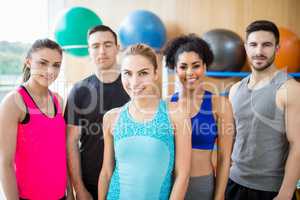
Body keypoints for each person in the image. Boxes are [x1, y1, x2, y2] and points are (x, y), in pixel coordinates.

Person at [98, 44, 192, 200]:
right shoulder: (111, 117)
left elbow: (183, 175)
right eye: (127, 73)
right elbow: (107, 171)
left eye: (143, 73)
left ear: (155, 73)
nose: (134, 82)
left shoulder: (176, 114)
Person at [225, 20, 300, 200]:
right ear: (246, 48)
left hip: (270, 189)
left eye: (266, 45)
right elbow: (232, 138)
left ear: (277, 48)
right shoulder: (235, 90)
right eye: (253, 45)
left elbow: (297, 145)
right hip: (233, 182)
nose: (259, 51)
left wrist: (286, 193)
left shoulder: (290, 89)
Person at [163, 34, 234, 200]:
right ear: (175, 68)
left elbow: (224, 158)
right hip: (168, 185)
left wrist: (219, 196)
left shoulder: (220, 105)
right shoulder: (165, 105)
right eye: (183, 66)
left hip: (202, 185)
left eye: (196, 66)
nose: (190, 72)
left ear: (205, 67)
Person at [0, 39, 73, 199]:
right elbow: (5, 164)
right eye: (43, 63)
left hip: (60, 195)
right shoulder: (13, 102)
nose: (50, 71)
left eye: (56, 65)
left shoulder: (58, 100)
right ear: (28, 62)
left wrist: (69, 192)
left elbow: (60, 154)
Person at [64, 25, 129, 200]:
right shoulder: (79, 91)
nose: (102, 51)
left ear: (117, 48)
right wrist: (79, 188)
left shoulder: (133, 86)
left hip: (129, 182)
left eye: (108, 44)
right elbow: (71, 143)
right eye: (95, 46)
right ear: (89, 51)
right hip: (90, 181)